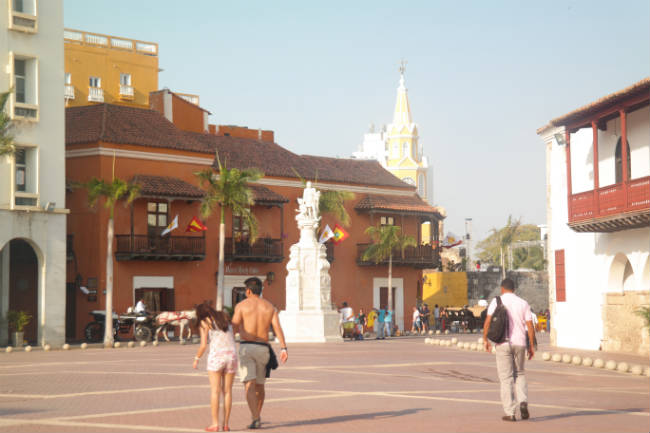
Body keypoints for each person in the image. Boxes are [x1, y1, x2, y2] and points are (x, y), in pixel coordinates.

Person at [231, 277, 288, 429]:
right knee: (260, 385)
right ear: (261, 290)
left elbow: (234, 326)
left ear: (248, 291)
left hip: (247, 347)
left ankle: (256, 417)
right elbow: (277, 328)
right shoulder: (269, 307)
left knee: (249, 384)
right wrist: (283, 348)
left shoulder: (241, 306)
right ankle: (256, 415)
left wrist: (228, 344)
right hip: (263, 348)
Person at [483, 278, 535, 422]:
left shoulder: (497, 301)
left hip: (502, 343)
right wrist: (531, 345)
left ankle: (510, 412)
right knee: (520, 373)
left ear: (502, 289)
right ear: (514, 289)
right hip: (520, 343)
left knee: (506, 379)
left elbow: (488, 321)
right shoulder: (523, 303)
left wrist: (485, 340)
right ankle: (523, 401)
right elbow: (530, 326)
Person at [193, 303, 237, 432]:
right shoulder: (225, 317)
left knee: (215, 391)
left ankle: (215, 424)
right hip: (232, 356)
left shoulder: (204, 322)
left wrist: (196, 359)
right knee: (228, 392)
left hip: (216, 357)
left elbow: (203, 345)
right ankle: (226, 424)